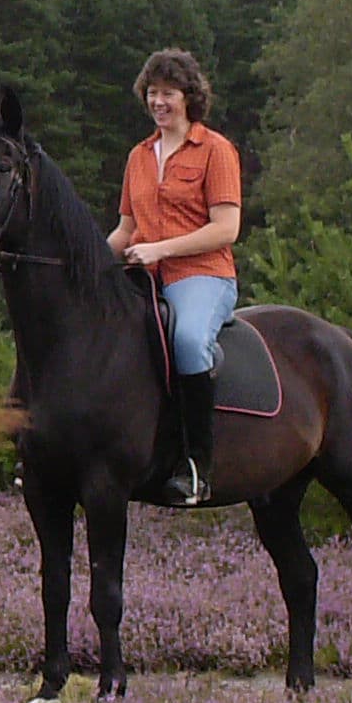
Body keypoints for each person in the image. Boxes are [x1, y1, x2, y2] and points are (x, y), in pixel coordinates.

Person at [103, 48, 242, 506]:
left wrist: (160, 249)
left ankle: (198, 466)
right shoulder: (138, 157)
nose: (158, 102)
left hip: (202, 274)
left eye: (168, 93)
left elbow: (226, 228)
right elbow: (125, 231)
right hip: (144, 275)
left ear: (189, 97)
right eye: (152, 93)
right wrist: (87, 264)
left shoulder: (215, 150)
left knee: (185, 341)